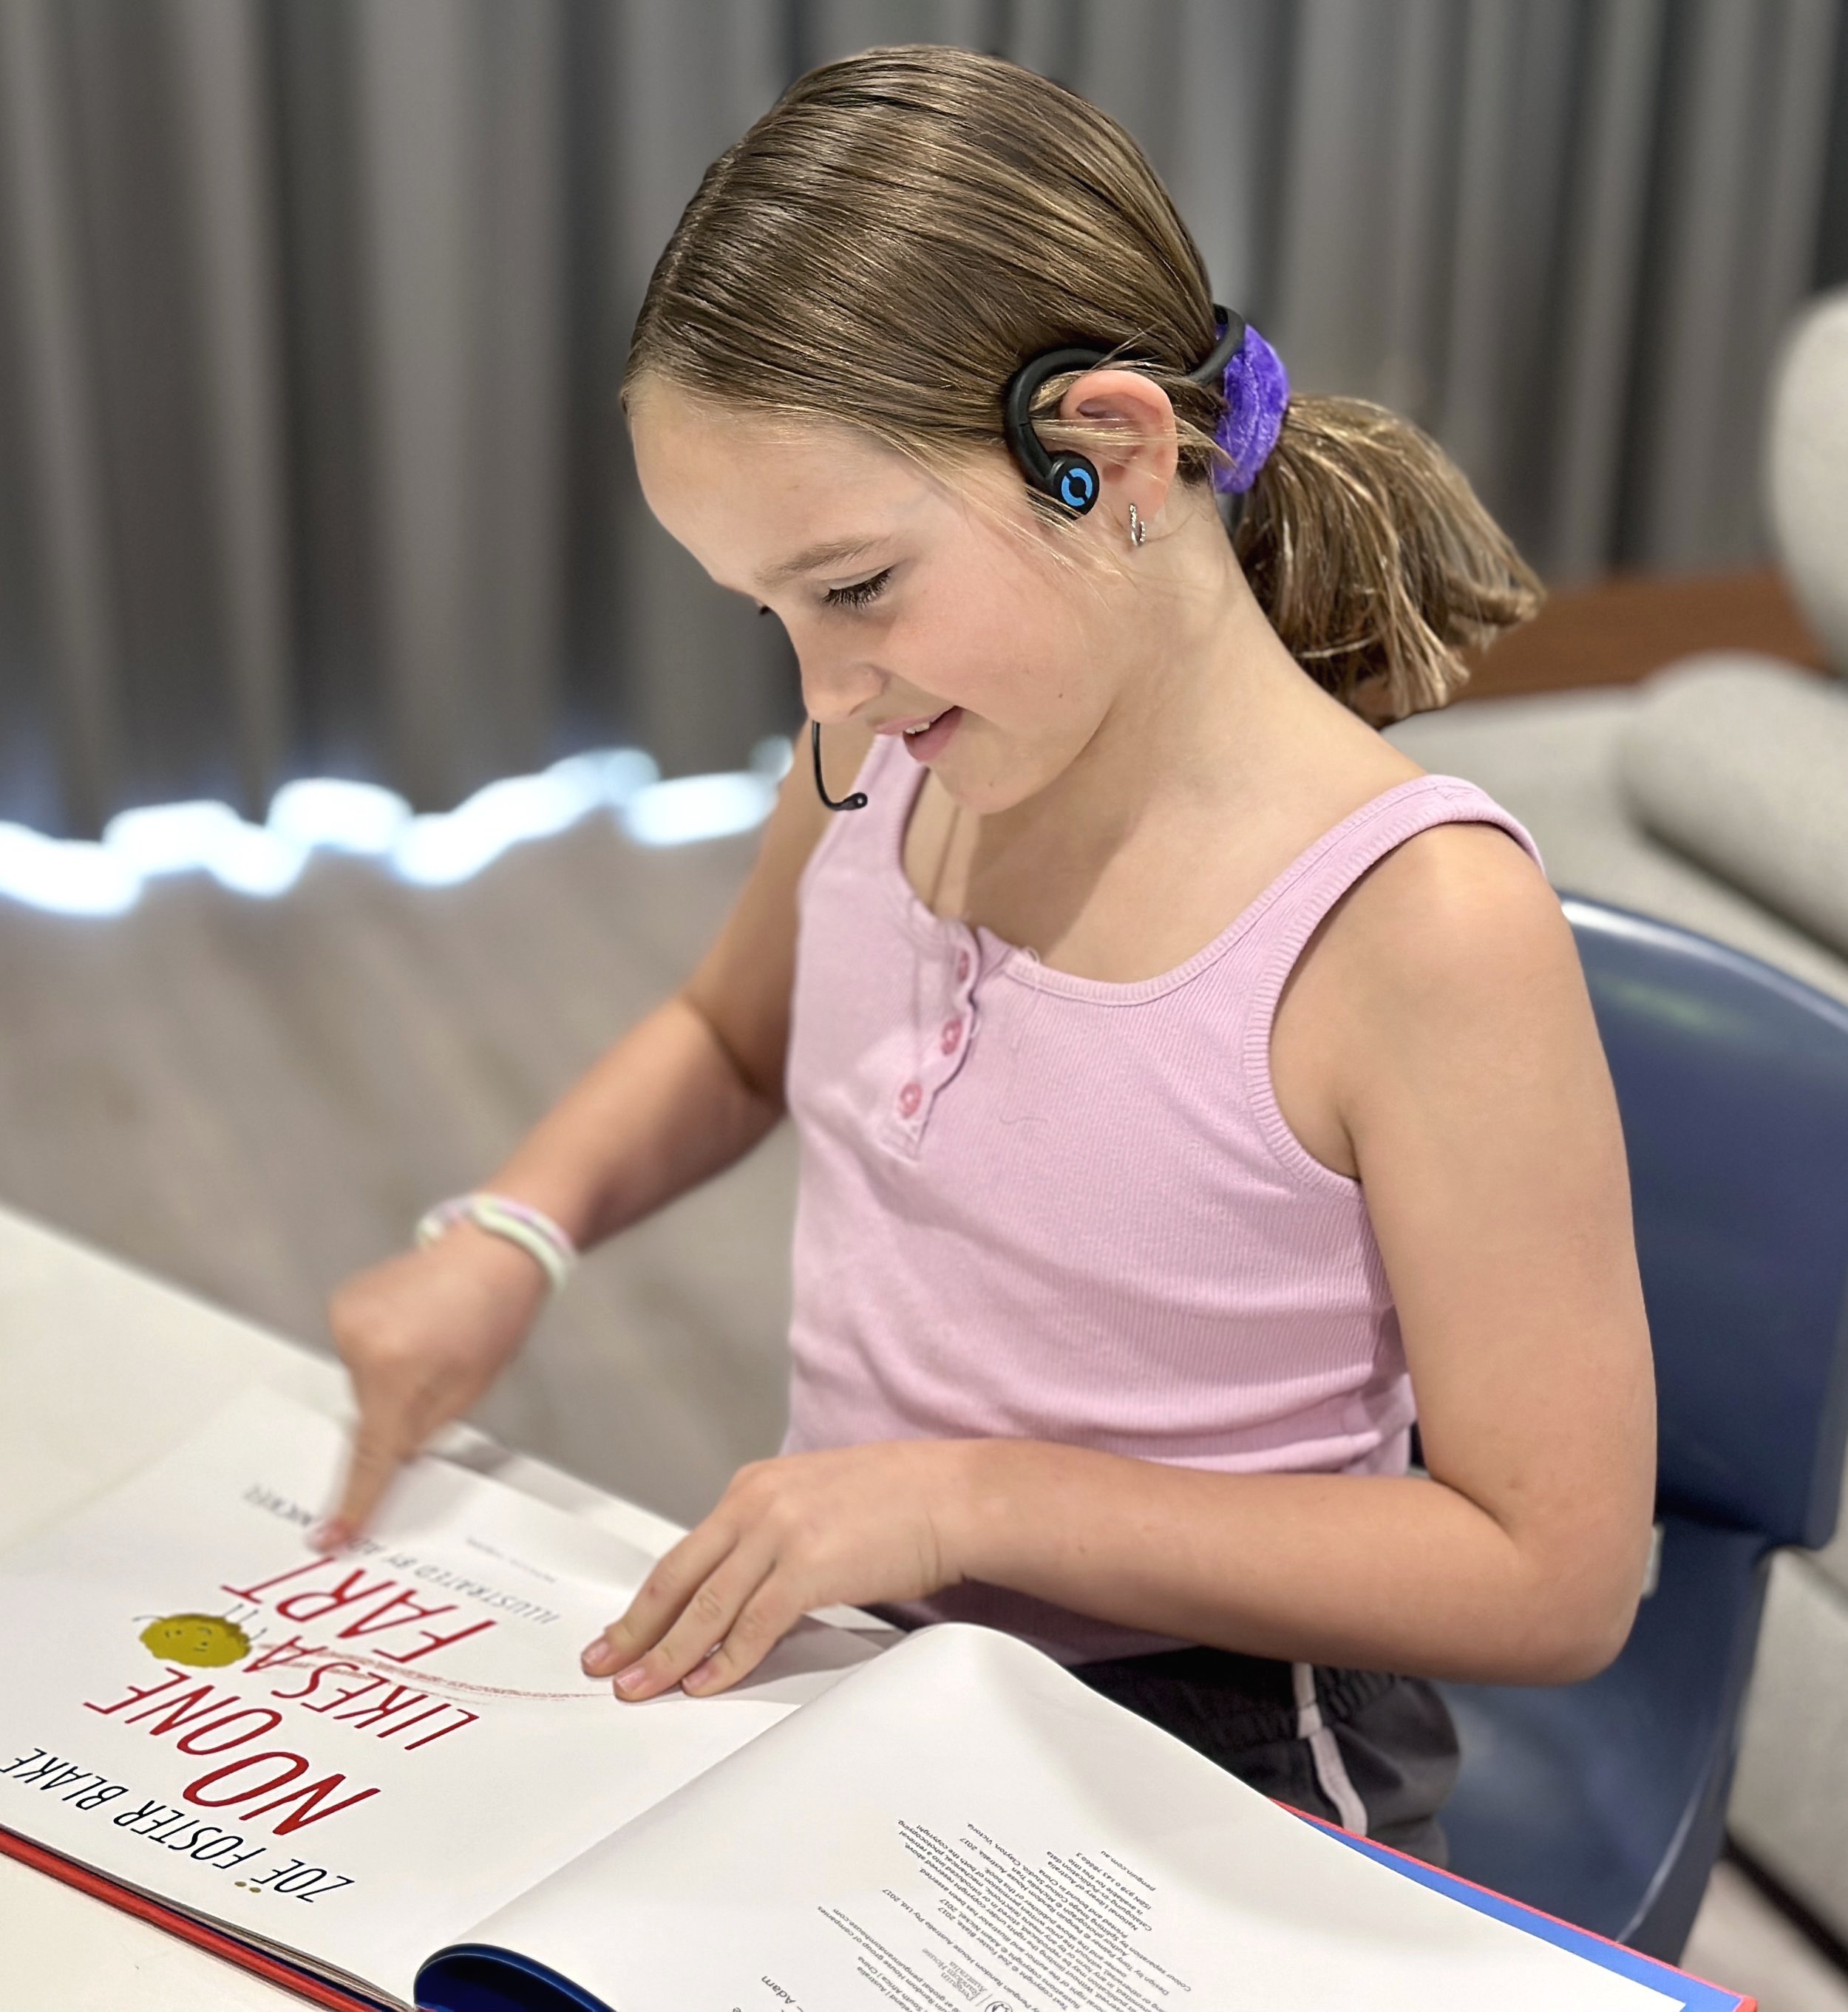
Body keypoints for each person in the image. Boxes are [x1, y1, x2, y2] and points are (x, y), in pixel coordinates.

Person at [320, 47, 1654, 1863]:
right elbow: (732, 1037)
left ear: (1099, 455)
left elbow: (1552, 1572)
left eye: (852, 585)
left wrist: (966, 1501)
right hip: (888, 1620)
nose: (818, 685)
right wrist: (513, 1231)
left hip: (1221, 1719)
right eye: (770, 611)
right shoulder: (890, 744)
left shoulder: (1409, 925)